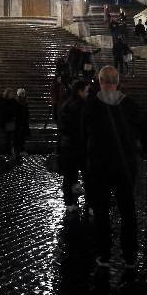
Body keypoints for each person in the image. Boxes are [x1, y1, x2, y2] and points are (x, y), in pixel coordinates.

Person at [85, 65, 142, 269]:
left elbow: (84, 135)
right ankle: (129, 255)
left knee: (101, 212)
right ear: (117, 82)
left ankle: (104, 253)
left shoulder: (90, 106)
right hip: (125, 165)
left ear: (100, 81)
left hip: (99, 165)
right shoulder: (131, 105)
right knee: (127, 211)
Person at [59, 79, 88, 213]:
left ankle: (70, 202)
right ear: (80, 91)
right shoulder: (82, 106)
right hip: (80, 146)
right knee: (88, 175)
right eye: (86, 90)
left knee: (69, 175)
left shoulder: (66, 104)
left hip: (67, 145)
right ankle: (90, 203)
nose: (88, 93)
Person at [13, 88, 31, 156]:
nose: (23, 95)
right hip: (19, 122)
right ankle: (18, 150)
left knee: (22, 137)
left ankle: (21, 149)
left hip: (23, 122)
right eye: (22, 93)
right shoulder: (18, 102)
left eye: (24, 93)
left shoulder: (24, 102)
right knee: (18, 137)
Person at [3, 89, 19, 156]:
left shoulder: (14, 101)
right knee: (8, 137)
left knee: (12, 137)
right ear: (7, 94)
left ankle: (12, 150)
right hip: (7, 121)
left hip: (13, 120)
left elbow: (17, 110)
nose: (12, 94)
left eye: (12, 93)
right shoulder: (4, 101)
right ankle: (8, 150)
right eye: (10, 93)